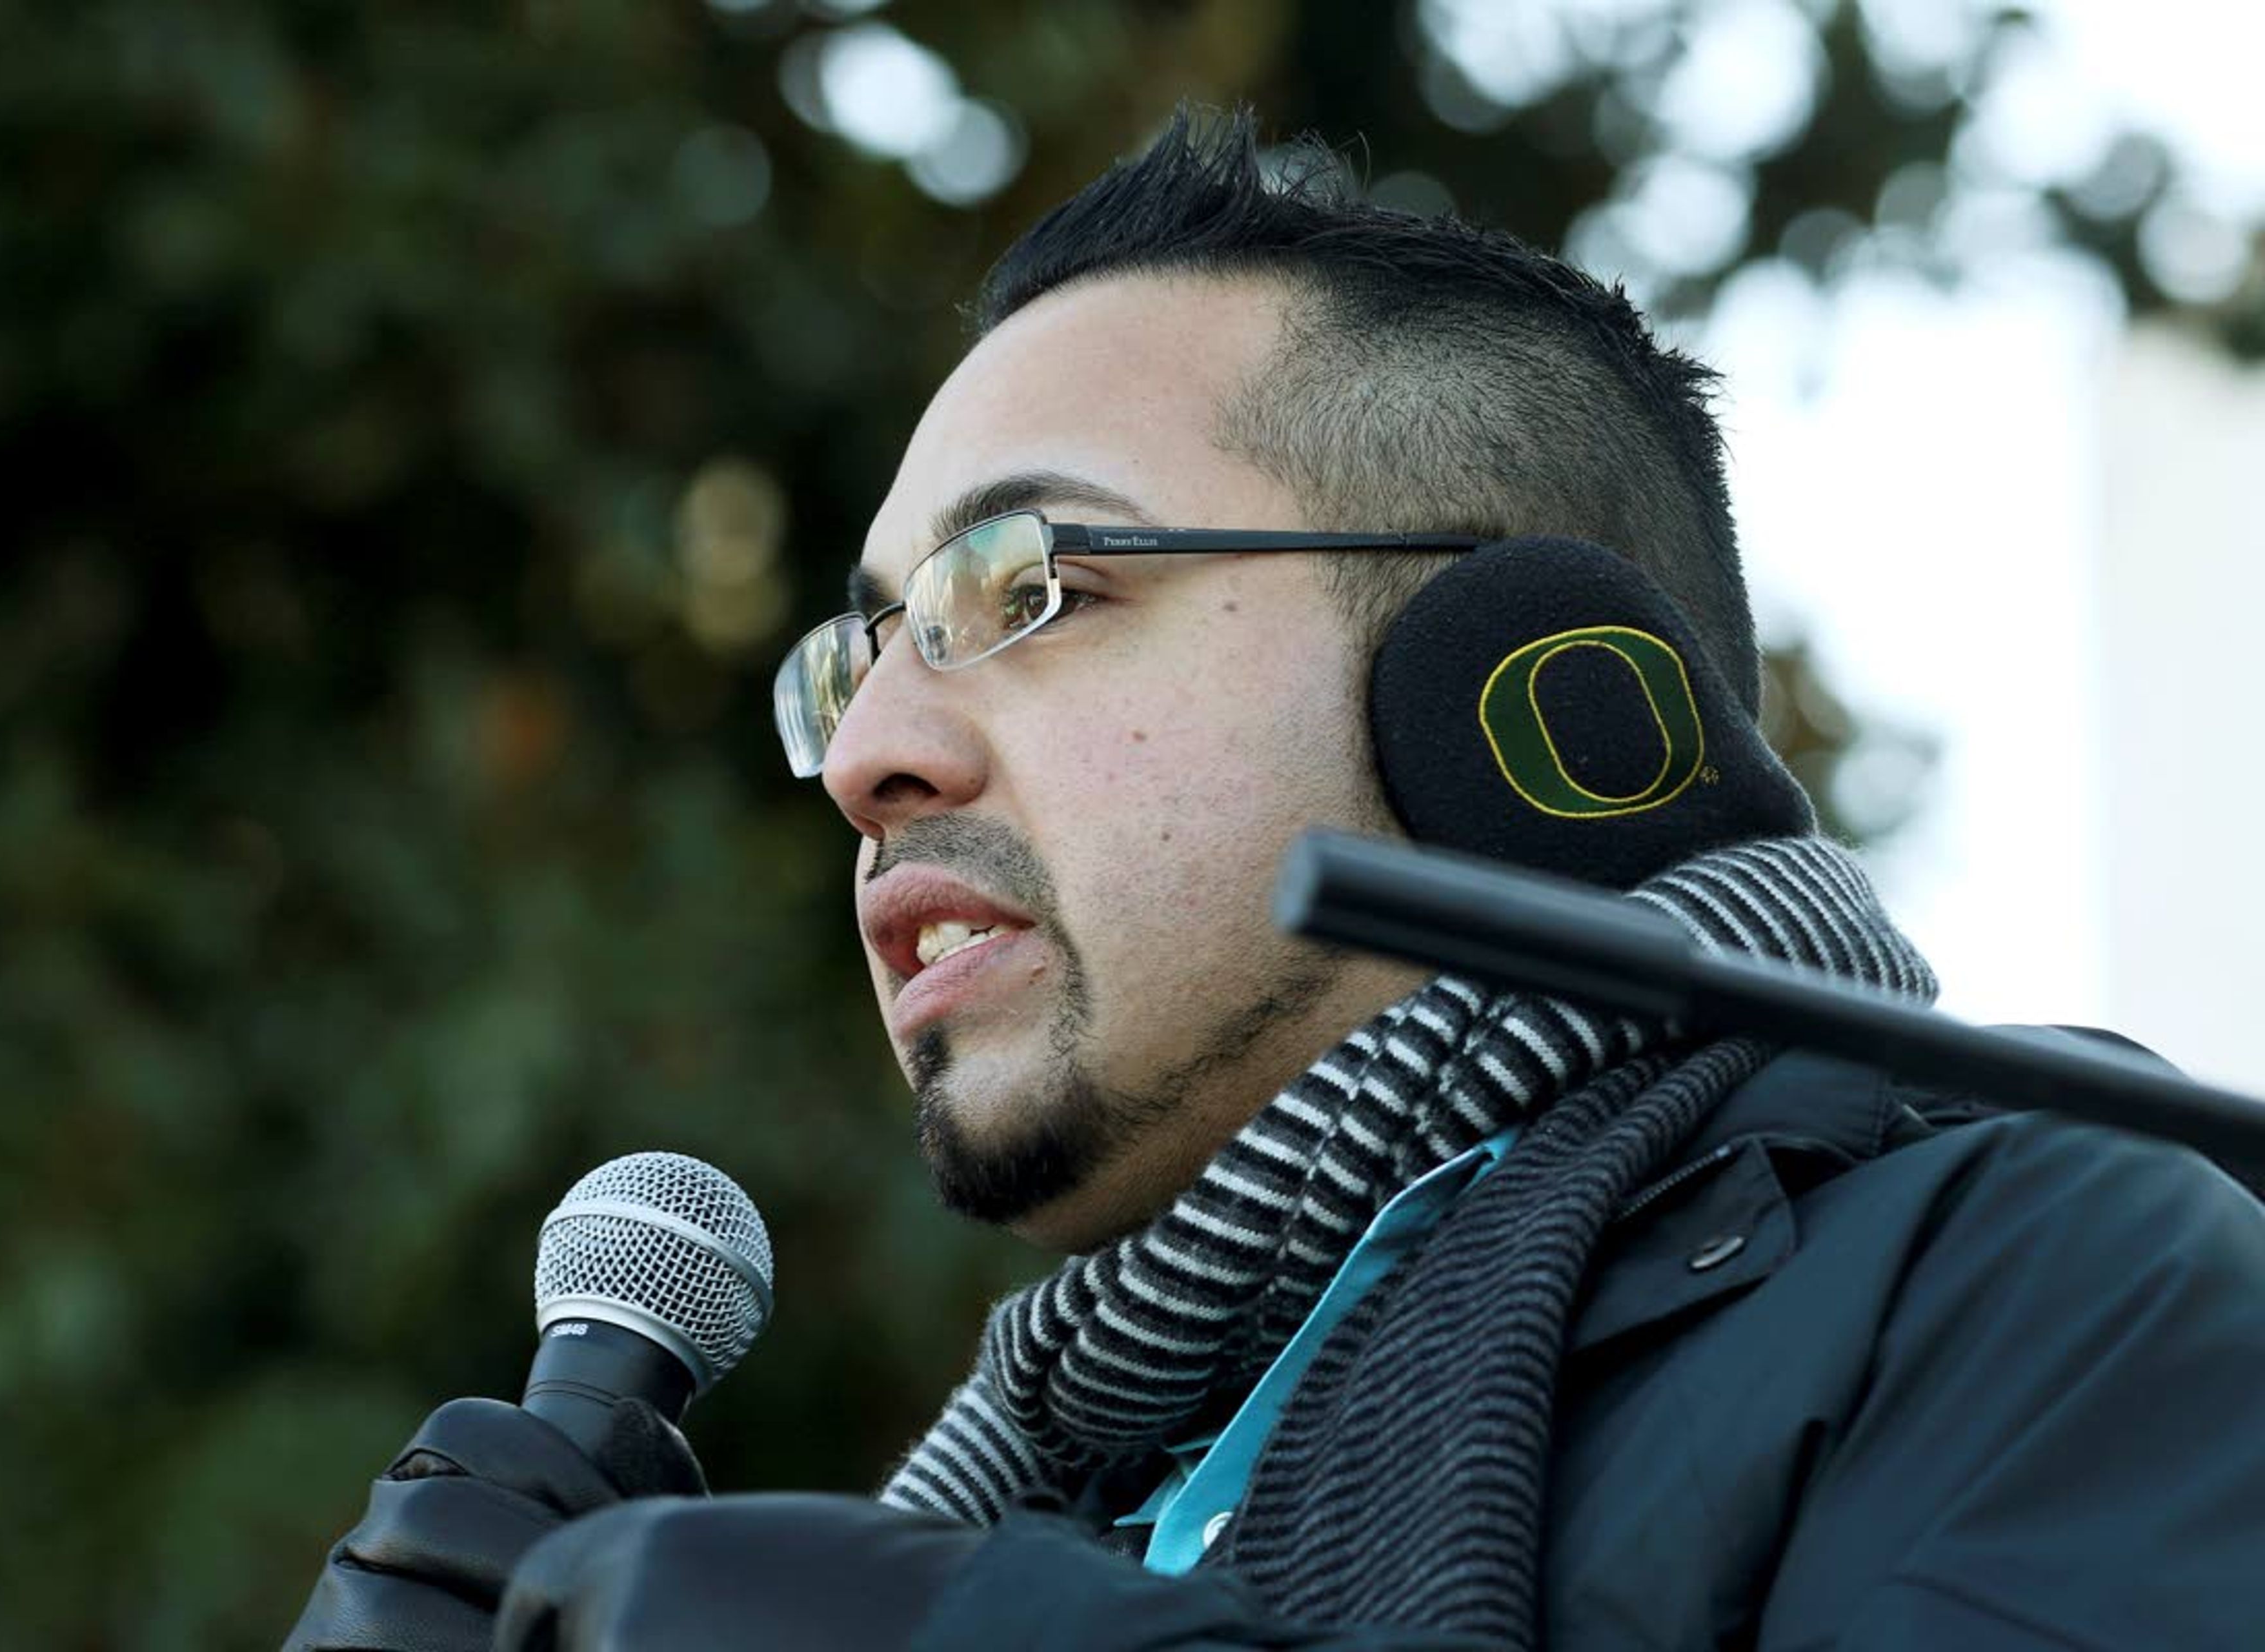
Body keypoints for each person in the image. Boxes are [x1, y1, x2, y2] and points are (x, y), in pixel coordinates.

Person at [287, 109, 2265, 1651]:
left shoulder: (2063, 1284)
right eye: (857, 652)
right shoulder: (1016, 1526)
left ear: (1511, 687)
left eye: (1026, 588)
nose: (874, 752)